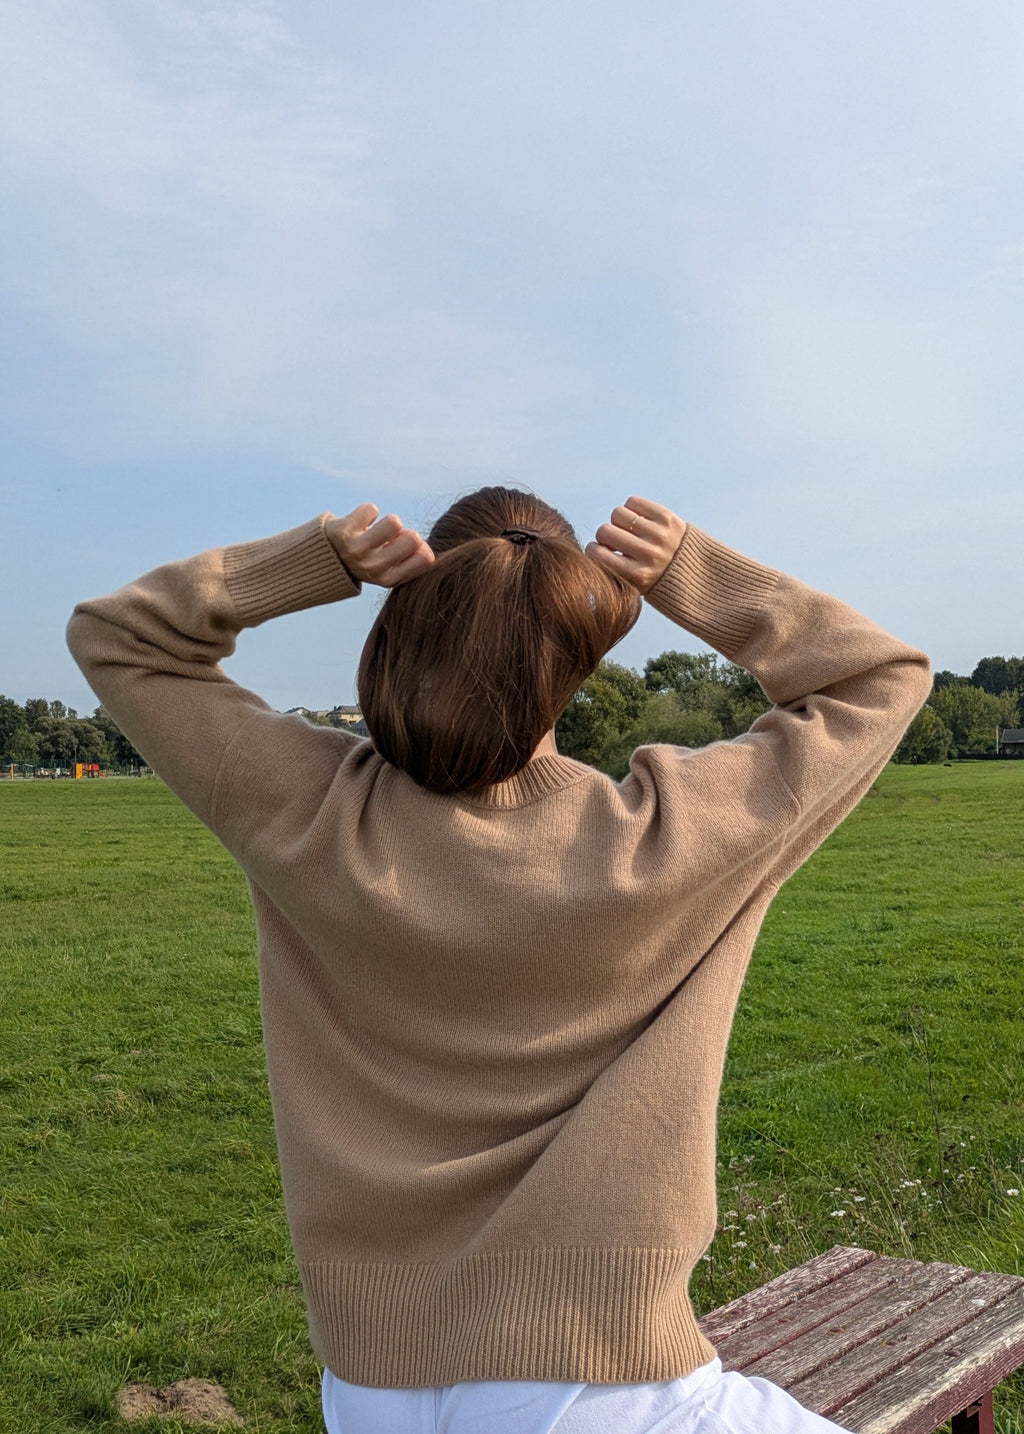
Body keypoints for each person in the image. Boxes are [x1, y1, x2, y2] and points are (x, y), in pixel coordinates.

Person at [67, 488, 931, 1434]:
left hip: (369, 1390)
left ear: (413, 615)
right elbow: (880, 678)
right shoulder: (665, 838)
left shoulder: (310, 813)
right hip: (602, 1382)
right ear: (576, 642)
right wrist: (695, 575)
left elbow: (121, 639)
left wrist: (319, 558)